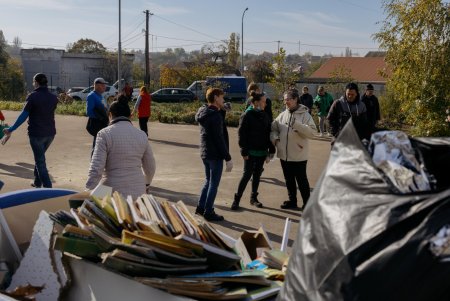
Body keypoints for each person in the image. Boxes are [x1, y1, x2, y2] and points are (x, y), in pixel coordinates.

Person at [85, 97, 156, 199]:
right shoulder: (142, 135)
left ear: (110, 115)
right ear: (129, 116)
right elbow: (150, 167)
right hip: (138, 190)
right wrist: (147, 184)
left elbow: (96, 169)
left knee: (95, 210)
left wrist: (88, 190)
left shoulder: (104, 134)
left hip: (111, 193)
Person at [2, 73, 58, 188]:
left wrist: (11, 129)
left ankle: (48, 188)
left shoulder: (32, 96)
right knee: (40, 158)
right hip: (50, 134)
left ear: (36, 82)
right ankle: (37, 183)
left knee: (40, 161)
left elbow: (23, 115)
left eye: (33, 82)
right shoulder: (53, 97)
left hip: (37, 134)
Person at [271, 88, 317, 210]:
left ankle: (307, 204)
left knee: (302, 180)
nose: (286, 102)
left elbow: (313, 133)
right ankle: (292, 201)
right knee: (289, 179)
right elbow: (274, 128)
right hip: (284, 154)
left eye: (288, 100)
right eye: (285, 100)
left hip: (299, 154)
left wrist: (298, 125)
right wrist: (275, 139)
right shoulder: (282, 115)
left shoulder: (305, 115)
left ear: (296, 99)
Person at [231, 91, 276, 210]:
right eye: (263, 101)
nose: (265, 104)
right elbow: (241, 134)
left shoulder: (265, 114)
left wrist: (271, 150)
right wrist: (243, 151)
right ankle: (237, 199)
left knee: (257, 175)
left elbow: (268, 132)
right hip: (250, 151)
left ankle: (253, 198)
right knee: (247, 175)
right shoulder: (247, 115)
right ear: (256, 102)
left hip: (262, 151)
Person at [195, 88, 233, 221]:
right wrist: (227, 157)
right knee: (213, 184)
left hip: (205, 153)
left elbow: (215, 125)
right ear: (216, 98)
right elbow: (219, 138)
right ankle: (209, 211)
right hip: (215, 155)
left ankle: (201, 207)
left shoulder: (204, 112)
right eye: (222, 98)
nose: (223, 100)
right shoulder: (215, 116)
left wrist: (222, 109)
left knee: (208, 181)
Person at [86, 77, 109, 157]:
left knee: (101, 145)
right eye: (103, 85)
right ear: (98, 85)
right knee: (97, 145)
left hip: (103, 124)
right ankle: (93, 162)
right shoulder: (91, 96)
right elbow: (89, 112)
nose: (105, 86)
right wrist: (100, 117)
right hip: (97, 124)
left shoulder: (101, 95)